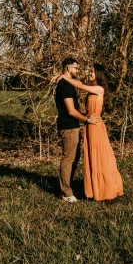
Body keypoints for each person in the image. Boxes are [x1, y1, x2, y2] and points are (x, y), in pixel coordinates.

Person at [55, 62, 123, 202]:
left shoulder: (99, 89)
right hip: (89, 124)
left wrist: (62, 76)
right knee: (92, 155)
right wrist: (60, 76)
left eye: (91, 71)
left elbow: (79, 85)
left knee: (99, 155)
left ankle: (105, 188)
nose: (88, 72)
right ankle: (94, 188)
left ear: (97, 73)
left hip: (94, 123)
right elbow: (78, 82)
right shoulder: (92, 86)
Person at [54, 57, 100, 203]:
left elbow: (81, 85)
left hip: (72, 126)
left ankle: (68, 187)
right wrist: (86, 119)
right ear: (68, 68)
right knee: (68, 159)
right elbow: (71, 111)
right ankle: (66, 193)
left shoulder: (67, 83)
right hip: (68, 126)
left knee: (74, 158)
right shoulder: (65, 86)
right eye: (75, 68)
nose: (77, 71)